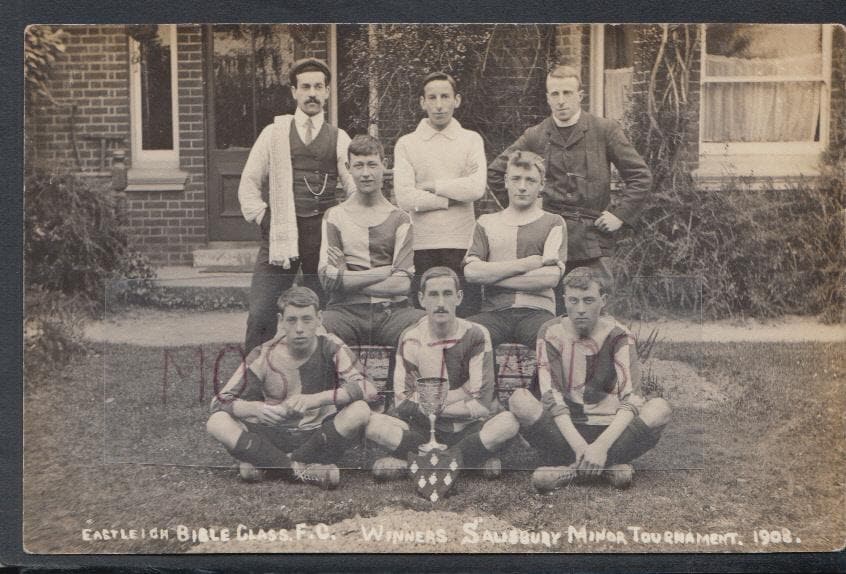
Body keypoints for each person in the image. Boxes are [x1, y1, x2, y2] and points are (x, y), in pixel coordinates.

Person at [507, 267, 672, 492]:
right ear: (564, 300)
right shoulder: (550, 331)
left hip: (610, 431)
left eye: (589, 300)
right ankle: (609, 468)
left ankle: (571, 470)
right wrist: (581, 447)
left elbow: (631, 398)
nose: (581, 309)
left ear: (602, 301)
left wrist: (601, 447)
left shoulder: (620, 335)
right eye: (573, 301)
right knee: (519, 399)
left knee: (660, 408)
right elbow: (551, 397)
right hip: (565, 432)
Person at [488, 65, 651, 286]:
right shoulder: (535, 135)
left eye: (567, 93)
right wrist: (528, 211)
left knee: (593, 304)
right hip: (548, 237)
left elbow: (640, 176)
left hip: (593, 237)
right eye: (555, 94)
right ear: (548, 98)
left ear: (580, 96)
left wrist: (619, 215)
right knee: (551, 308)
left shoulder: (604, 130)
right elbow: (497, 173)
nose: (561, 100)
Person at [206, 286, 379, 489]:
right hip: (273, 434)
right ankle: (300, 470)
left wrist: (317, 399)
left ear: (319, 319)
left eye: (306, 319)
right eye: (292, 320)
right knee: (217, 422)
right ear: (281, 322)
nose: (299, 328)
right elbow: (218, 401)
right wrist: (255, 409)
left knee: (360, 410)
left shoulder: (331, 346)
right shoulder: (264, 353)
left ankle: (269, 465)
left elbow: (369, 388)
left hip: (319, 436)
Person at [238, 57, 357, 353]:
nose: (312, 93)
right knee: (262, 311)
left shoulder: (339, 138)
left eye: (318, 87)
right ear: (294, 92)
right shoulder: (274, 133)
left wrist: (343, 224)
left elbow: (354, 186)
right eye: (305, 87)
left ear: (328, 92)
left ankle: (318, 377)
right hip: (280, 233)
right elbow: (249, 182)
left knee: (323, 313)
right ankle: (254, 378)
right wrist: (264, 219)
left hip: (320, 237)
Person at [365, 267, 519, 480]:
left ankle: (417, 463)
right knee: (372, 424)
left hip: (468, 428)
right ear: (421, 299)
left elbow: (482, 403)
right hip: (420, 430)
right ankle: (466, 460)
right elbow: (403, 402)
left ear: (459, 297)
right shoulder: (411, 338)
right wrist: (461, 396)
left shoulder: (476, 334)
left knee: (509, 422)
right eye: (433, 294)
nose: (440, 303)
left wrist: (433, 403)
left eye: (447, 294)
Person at [318, 134, 425, 348]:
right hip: (344, 311)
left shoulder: (401, 218)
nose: (366, 173)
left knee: (424, 329)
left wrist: (346, 278)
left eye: (372, 165)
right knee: (318, 332)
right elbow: (327, 279)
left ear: (384, 166)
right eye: (358, 166)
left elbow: (402, 284)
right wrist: (385, 271)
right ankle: (342, 383)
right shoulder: (335, 216)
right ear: (348, 168)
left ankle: (398, 383)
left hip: (392, 312)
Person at [393, 71, 486, 315]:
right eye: (432, 98)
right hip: (422, 243)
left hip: (462, 242)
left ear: (457, 100)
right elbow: (404, 197)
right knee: (424, 316)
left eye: (445, 97)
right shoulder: (406, 143)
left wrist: (433, 185)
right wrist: (450, 199)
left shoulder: (471, 140)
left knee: (464, 314)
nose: (439, 105)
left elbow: (476, 187)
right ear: (422, 102)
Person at [464, 150, 567, 352]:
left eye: (530, 180)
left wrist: (491, 276)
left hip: (538, 312)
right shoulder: (486, 222)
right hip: (494, 312)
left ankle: (543, 386)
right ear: (505, 181)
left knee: (556, 337)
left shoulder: (553, 222)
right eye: (516, 179)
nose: (522, 187)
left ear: (542, 185)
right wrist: (526, 264)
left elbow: (549, 278)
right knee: (465, 335)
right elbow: (471, 273)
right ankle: (483, 385)